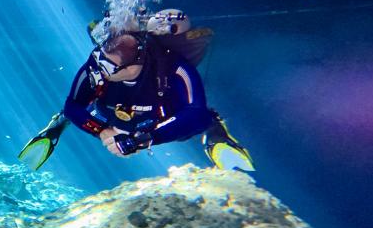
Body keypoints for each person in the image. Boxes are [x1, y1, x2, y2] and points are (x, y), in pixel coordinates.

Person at [62, 13, 253, 167]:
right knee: (81, 107)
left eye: (109, 68)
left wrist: (144, 140)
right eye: (98, 60)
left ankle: (216, 135)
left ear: (134, 66)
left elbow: (197, 115)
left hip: (159, 120)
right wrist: (103, 131)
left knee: (201, 123)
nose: (98, 72)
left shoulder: (174, 67)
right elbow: (72, 105)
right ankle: (66, 119)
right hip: (110, 116)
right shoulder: (96, 66)